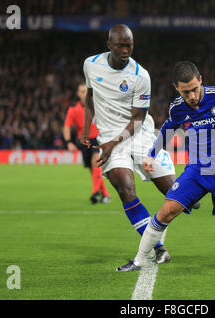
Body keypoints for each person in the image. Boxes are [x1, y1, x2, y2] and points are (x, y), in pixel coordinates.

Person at [116, 61, 215, 272]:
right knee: (167, 211)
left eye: (195, 89)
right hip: (199, 169)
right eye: (186, 92)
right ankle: (139, 260)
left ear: (201, 81)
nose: (192, 96)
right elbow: (170, 126)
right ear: (176, 88)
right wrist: (152, 154)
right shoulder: (178, 107)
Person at [80, 24, 198, 264]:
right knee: (125, 188)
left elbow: (137, 119)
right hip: (109, 138)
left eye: (129, 45)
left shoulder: (140, 75)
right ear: (109, 45)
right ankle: (158, 248)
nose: (126, 50)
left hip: (140, 135)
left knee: (180, 196)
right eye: (121, 45)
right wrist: (86, 129)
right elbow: (90, 97)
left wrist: (114, 142)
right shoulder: (91, 64)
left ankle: (205, 198)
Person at [63, 83, 111, 204]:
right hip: (84, 141)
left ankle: (95, 193)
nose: (85, 94)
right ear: (78, 94)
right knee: (93, 170)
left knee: (95, 164)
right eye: (82, 91)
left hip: (98, 139)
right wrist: (68, 142)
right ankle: (105, 195)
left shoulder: (98, 106)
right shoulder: (73, 110)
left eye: (86, 91)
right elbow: (67, 126)